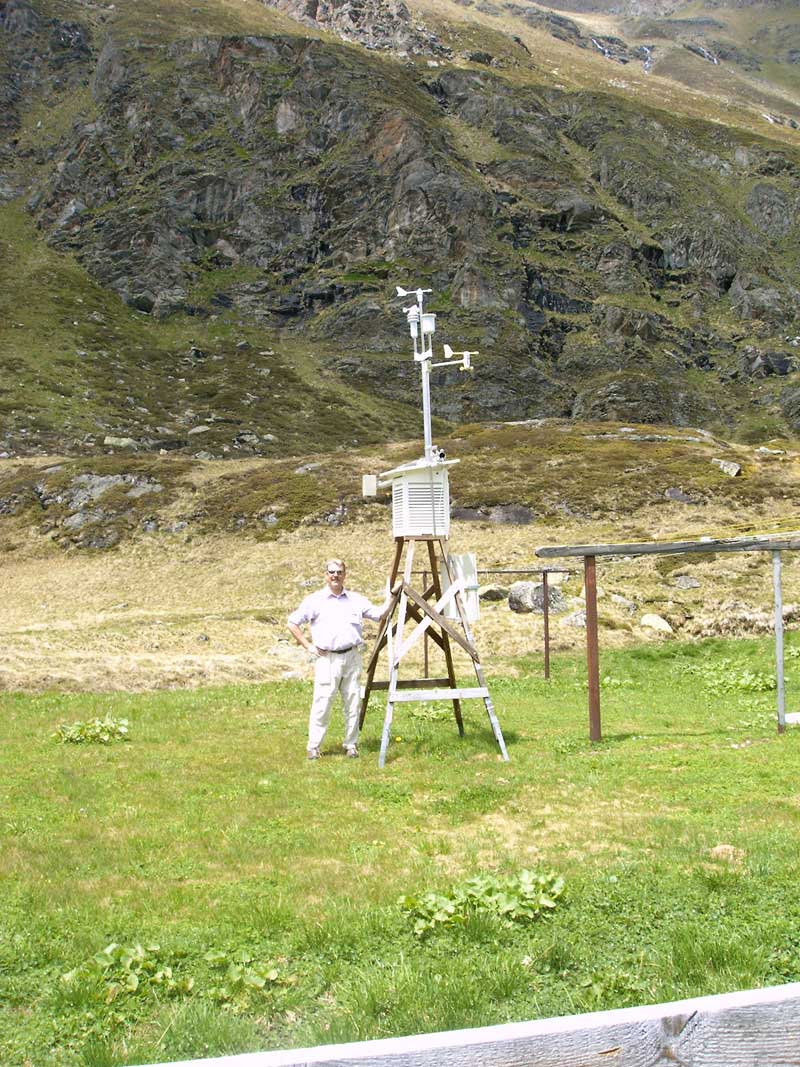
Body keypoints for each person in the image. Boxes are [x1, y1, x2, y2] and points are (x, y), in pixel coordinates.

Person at [288, 559, 393, 760]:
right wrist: (308, 646)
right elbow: (292, 622)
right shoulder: (314, 600)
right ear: (326, 575)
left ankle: (351, 745)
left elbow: (380, 615)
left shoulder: (356, 600)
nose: (335, 575)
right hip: (327, 659)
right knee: (322, 703)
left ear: (345, 575)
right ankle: (313, 747)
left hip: (352, 657)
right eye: (331, 572)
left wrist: (392, 596)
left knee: (353, 702)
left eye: (339, 572)